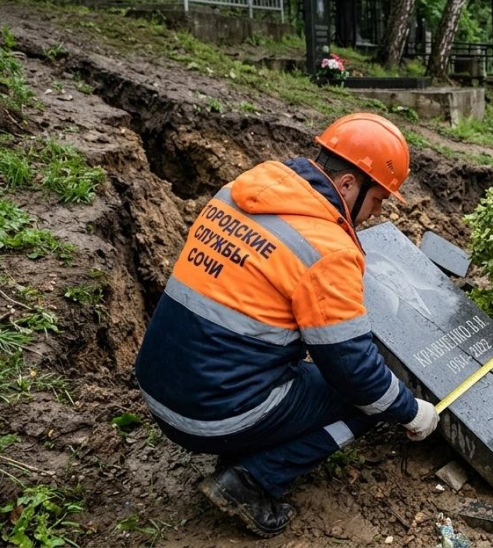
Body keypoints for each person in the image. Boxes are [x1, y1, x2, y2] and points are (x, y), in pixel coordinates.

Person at [134, 112, 440, 537]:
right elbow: (354, 372)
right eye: (379, 199)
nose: (376, 212)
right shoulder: (326, 247)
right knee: (368, 401)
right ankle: (252, 479)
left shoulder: (241, 191)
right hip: (209, 414)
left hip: (158, 386)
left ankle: (247, 436)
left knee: (308, 370)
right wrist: (411, 412)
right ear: (348, 184)